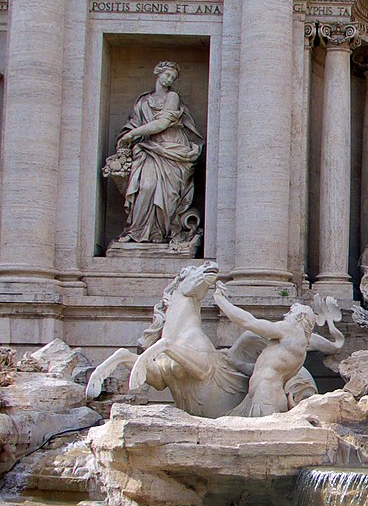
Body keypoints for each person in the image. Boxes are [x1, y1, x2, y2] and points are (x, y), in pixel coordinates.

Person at [212, 287, 343, 417]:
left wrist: (221, 301)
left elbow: (249, 322)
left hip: (265, 396)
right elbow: (263, 369)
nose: (286, 315)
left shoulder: (289, 329)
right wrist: (235, 363)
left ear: (299, 317)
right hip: (271, 395)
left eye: (291, 312)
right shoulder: (302, 343)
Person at [111, 61, 203, 245]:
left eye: (173, 77)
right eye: (167, 75)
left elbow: (161, 124)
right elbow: (134, 123)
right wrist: (130, 136)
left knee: (167, 195)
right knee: (145, 187)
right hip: (148, 149)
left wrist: (132, 134)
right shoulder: (143, 101)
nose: (169, 79)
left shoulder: (172, 97)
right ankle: (137, 231)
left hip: (171, 149)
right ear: (157, 72)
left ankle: (158, 234)